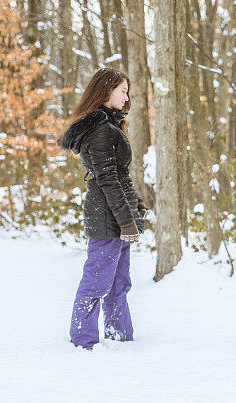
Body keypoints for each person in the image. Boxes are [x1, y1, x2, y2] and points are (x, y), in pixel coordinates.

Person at [57, 68, 148, 350]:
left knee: (120, 283)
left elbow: (119, 176)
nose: (126, 96)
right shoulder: (98, 130)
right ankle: (83, 340)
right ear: (107, 90)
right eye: (122, 90)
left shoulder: (109, 125)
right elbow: (107, 179)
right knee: (96, 283)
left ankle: (121, 336)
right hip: (107, 219)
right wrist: (126, 221)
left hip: (117, 216)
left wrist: (135, 205)